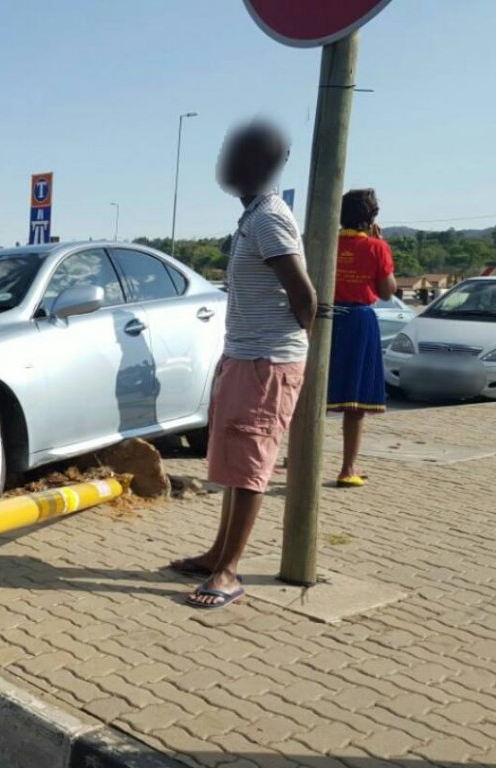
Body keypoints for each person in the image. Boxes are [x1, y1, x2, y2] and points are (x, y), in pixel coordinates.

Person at [172, 120, 317, 610]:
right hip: (246, 355)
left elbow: (305, 297)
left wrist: (282, 353)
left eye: (234, 153)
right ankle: (218, 552)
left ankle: (230, 572)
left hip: (267, 360)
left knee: (251, 463)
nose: (223, 162)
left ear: (260, 164)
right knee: (232, 462)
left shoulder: (270, 218)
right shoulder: (252, 217)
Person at [327, 189, 396, 487]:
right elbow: (387, 291)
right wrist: (380, 244)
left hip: (326, 317)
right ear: (371, 217)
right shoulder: (377, 248)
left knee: (313, 396)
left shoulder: (324, 242)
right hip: (358, 321)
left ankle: (298, 461)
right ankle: (347, 469)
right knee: (354, 405)